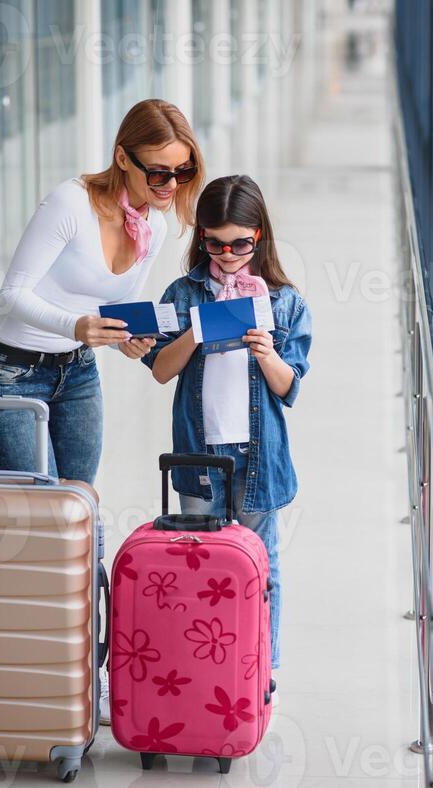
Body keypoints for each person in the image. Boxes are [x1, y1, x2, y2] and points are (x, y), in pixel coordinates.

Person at [0, 98, 204, 722]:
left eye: (181, 173)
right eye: (158, 172)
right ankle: (27, 672)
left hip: (76, 370)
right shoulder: (69, 204)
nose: (170, 186)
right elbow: (12, 295)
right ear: (122, 158)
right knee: (35, 524)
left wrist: (130, 341)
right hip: (12, 368)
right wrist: (76, 323)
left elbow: (115, 317)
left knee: (82, 509)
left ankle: (83, 674)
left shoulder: (151, 225)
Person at [141, 175, 312, 690]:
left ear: (259, 235)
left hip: (259, 454)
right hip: (198, 452)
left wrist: (268, 354)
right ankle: (202, 669)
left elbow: (290, 388)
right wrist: (197, 329)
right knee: (196, 563)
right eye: (215, 243)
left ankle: (262, 672)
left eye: (240, 243)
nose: (229, 254)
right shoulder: (183, 292)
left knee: (263, 565)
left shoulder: (285, 303)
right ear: (202, 239)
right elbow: (161, 369)